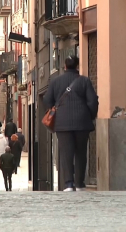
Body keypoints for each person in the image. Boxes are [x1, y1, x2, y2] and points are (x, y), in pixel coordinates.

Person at [43, 55, 98, 192]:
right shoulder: (84, 81)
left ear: (65, 66)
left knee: (66, 153)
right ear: (77, 65)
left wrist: (55, 111)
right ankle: (79, 184)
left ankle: (68, 184)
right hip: (82, 123)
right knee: (81, 152)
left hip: (62, 124)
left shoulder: (55, 82)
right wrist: (89, 116)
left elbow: (47, 100)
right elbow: (93, 102)